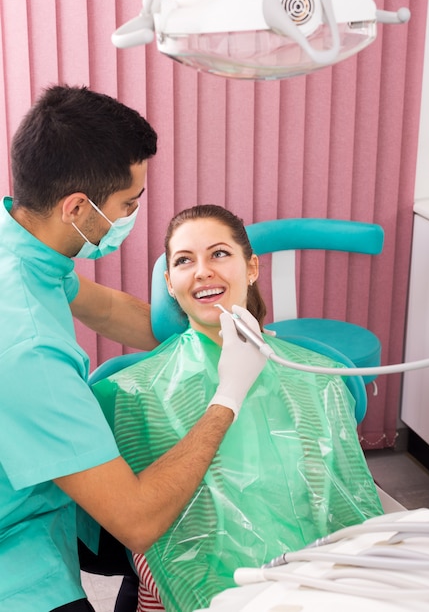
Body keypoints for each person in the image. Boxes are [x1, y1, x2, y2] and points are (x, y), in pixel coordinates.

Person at [0, 86, 267, 612]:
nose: (131, 215)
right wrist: (230, 394)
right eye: (128, 204)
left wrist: (204, 325)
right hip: (16, 556)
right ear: (76, 206)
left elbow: (103, 307)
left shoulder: (25, 248)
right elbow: (138, 521)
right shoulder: (28, 349)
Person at [92, 204, 384, 612]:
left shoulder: (318, 376)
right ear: (170, 284)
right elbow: (156, 538)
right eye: (184, 261)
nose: (202, 271)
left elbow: (350, 508)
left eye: (219, 254)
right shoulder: (132, 393)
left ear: (251, 268)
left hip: (323, 584)